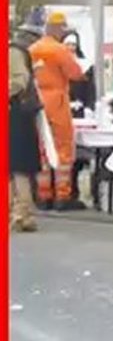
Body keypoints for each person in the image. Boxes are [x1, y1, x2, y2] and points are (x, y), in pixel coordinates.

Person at [28, 10, 85, 210]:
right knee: (63, 148)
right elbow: (76, 73)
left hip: (37, 102)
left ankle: (44, 195)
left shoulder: (32, 49)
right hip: (57, 103)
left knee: (42, 148)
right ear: (58, 28)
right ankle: (62, 195)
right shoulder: (60, 51)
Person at [9, 24, 44, 232]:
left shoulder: (13, 52)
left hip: (16, 114)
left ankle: (23, 213)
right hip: (16, 113)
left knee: (17, 166)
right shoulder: (17, 51)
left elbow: (18, 81)